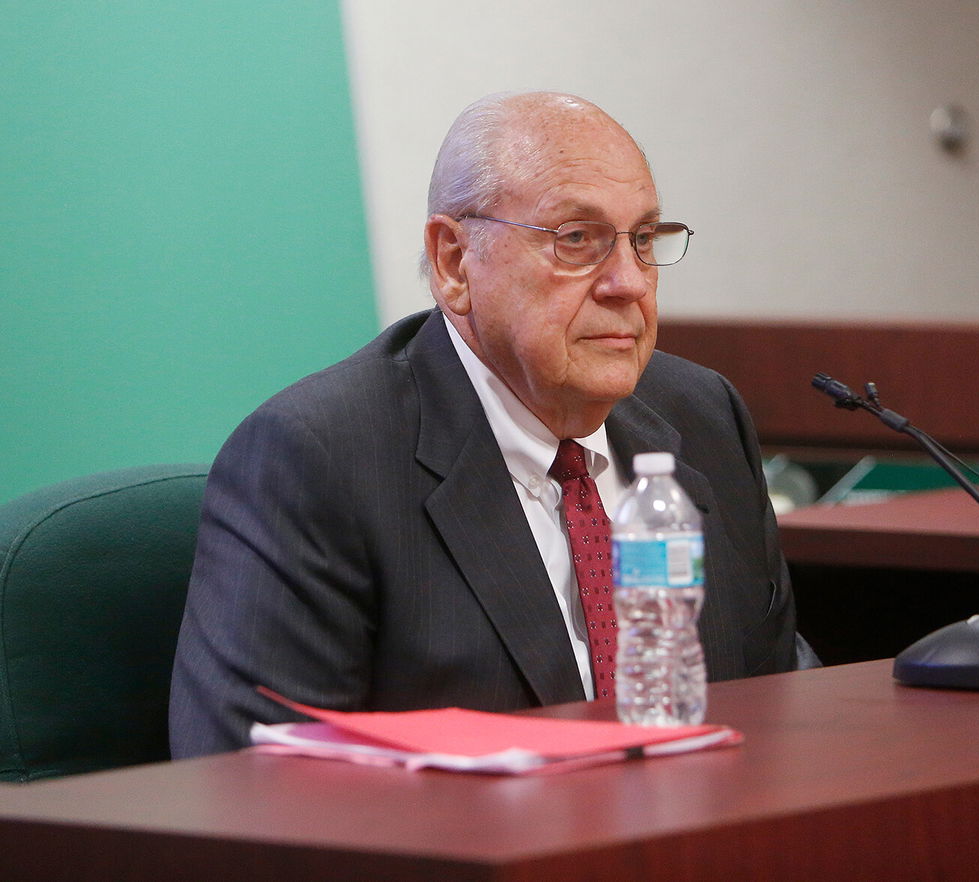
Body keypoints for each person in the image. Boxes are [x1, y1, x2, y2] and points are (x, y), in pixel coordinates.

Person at [169, 91, 818, 758]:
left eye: (645, 240)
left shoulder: (701, 415)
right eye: (576, 240)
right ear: (454, 261)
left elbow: (777, 706)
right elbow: (252, 774)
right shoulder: (319, 457)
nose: (629, 283)